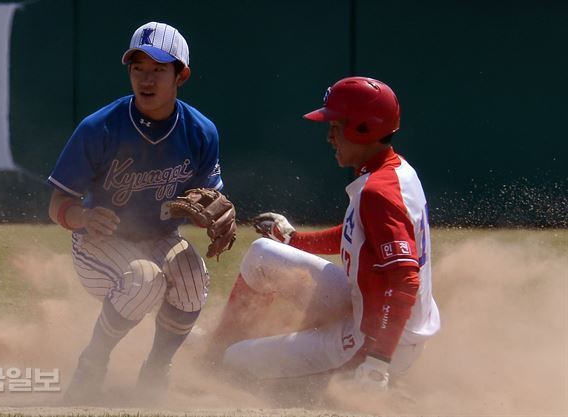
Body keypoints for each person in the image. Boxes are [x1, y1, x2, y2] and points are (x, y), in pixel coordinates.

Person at [207, 76, 440, 393]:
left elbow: (404, 279)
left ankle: (373, 384)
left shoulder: (378, 192)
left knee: (236, 362)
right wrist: (294, 239)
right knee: (262, 253)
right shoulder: (395, 170)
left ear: (363, 128)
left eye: (336, 125)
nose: (330, 136)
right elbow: (358, 233)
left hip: (376, 341)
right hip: (369, 309)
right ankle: (213, 353)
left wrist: (377, 363)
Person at [47, 21, 227, 402]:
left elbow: (209, 200)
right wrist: (82, 217)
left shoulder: (200, 132)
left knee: (193, 278)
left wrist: (214, 213)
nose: (146, 79)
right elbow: (58, 204)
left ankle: (156, 370)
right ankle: (92, 364)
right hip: (98, 245)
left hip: (161, 239)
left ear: (181, 75)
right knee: (145, 279)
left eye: (159, 69)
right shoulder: (100, 128)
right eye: (138, 68)